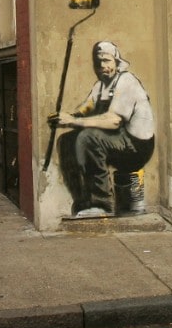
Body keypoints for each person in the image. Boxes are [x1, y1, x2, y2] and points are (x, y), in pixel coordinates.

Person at [52, 41, 154, 218]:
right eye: (98, 62)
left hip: (137, 146)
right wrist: (64, 118)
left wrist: (75, 121)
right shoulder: (99, 87)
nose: (102, 66)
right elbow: (84, 110)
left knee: (88, 138)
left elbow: (113, 121)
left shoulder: (126, 81)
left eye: (107, 61)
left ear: (116, 61)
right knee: (66, 141)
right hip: (116, 140)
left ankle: (101, 203)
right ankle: (83, 202)